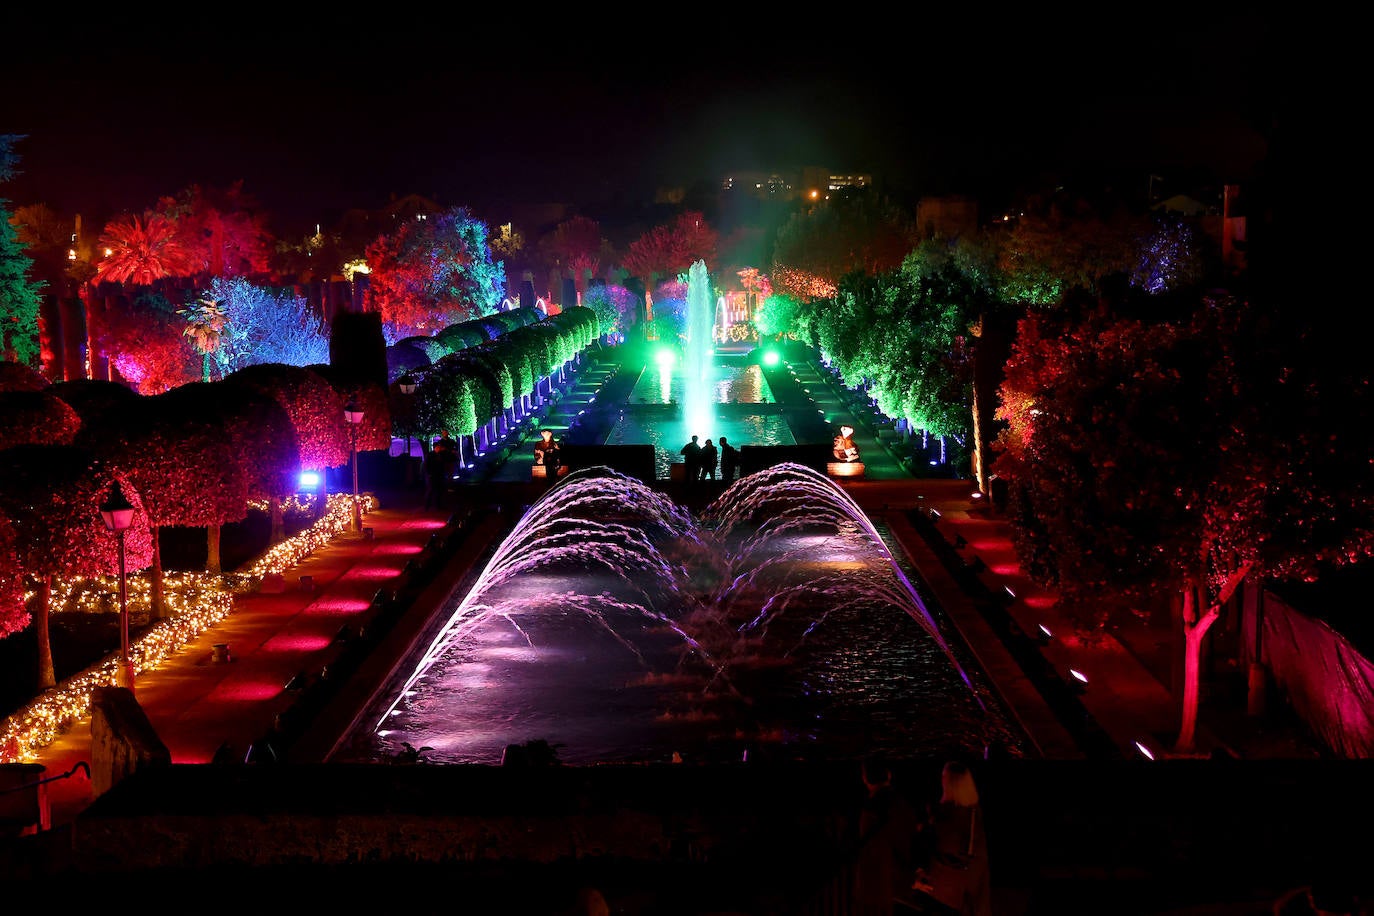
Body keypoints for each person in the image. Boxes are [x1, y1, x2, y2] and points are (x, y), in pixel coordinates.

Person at [912, 760, 991, 916]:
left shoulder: (946, 815)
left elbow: (939, 847)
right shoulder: (974, 813)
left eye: (944, 777)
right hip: (967, 888)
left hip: (944, 890)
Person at [850, 755, 923, 916]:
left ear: (865, 778)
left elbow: (873, 851)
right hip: (899, 885)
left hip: (879, 888)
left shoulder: (870, 810)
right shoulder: (903, 804)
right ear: (888, 775)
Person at [423, 430, 457, 510]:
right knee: (431, 490)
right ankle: (427, 506)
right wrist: (429, 474)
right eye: (439, 447)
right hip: (433, 475)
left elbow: (442, 463)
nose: (440, 448)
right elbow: (427, 465)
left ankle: (438, 505)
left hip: (439, 475)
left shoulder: (441, 454)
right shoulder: (431, 455)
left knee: (439, 490)